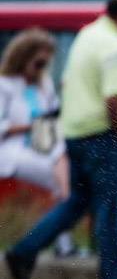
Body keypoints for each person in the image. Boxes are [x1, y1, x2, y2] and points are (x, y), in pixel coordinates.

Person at [7, 0, 117, 279]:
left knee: (75, 204)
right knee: (109, 208)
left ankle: (23, 251)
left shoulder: (87, 35)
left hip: (74, 135)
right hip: (102, 136)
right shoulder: (113, 44)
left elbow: (67, 83)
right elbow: (112, 98)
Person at [0, 28, 74, 257]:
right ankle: (62, 243)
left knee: (65, 174)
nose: (42, 69)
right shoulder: (5, 85)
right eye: (38, 63)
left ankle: (61, 243)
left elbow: (52, 113)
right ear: (24, 57)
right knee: (61, 180)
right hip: (13, 151)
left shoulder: (44, 85)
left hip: (43, 147)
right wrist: (31, 125)